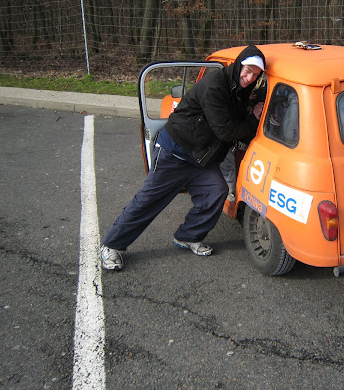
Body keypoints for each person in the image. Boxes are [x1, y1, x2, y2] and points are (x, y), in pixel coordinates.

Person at [100, 45, 266, 271]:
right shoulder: (215, 85)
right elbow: (226, 131)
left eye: (256, 75)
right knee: (150, 200)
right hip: (176, 150)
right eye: (247, 71)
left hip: (201, 157)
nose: (249, 77)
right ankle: (111, 245)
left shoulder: (241, 89)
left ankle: (188, 236)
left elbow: (233, 120)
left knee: (216, 191)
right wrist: (254, 119)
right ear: (238, 65)